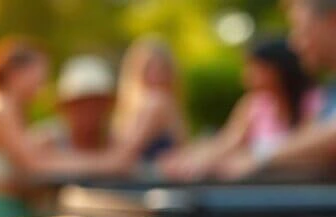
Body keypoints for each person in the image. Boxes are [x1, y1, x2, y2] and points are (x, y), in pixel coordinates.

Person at [0, 38, 128, 217]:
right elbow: (34, 164)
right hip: (0, 208)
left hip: (3, 205)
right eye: (39, 75)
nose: (42, 85)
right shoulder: (1, 108)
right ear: (17, 73)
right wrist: (105, 164)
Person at [161, 38, 318, 180]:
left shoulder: (312, 103)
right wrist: (192, 160)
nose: (246, 75)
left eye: (255, 68)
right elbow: (227, 143)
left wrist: (253, 158)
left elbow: (313, 153)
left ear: (276, 70)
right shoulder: (253, 105)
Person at [223, 0, 336, 178]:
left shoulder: (316, 97)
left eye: (300, 28)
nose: (293, 42)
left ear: (333, 21)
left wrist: (260, 156)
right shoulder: (331, 90)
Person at [111, 38, 187, 165]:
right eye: (150, 68)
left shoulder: (157, 102)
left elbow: (125, 155)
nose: (156, 75)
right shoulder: (140, 106)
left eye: (161, 68)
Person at [31, 55, 116, 153]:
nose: (88, 111)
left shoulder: (120, 144)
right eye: (81, 105)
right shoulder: (42, 142)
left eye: (95, 103)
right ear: (65, 107)